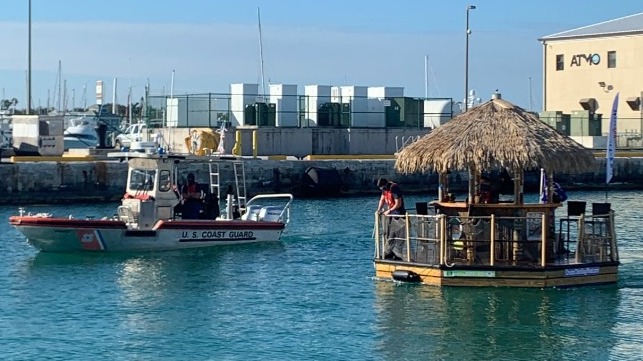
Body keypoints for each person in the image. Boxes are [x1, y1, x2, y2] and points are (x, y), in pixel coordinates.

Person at [376, 177, 406, 260]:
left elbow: (398, 203)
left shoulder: (394, 188)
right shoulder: (384, 190)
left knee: (399, 235)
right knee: (389, 234)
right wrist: (379, 210)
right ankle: (389, 252)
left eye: (383, 187)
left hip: (398, 215)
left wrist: (389, 210)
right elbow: (382, 199)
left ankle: (398, 253)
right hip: (390, 216)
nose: (383, 189)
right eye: (381, 188)